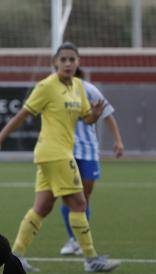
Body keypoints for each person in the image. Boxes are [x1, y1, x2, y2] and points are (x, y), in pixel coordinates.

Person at [0, 41, 120, 273]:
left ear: (78, 63)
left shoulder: (78, 86)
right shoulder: (46, 86)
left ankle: (16, 257)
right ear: (55, 63)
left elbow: (85, 118)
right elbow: (22, 115)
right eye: (63, 59)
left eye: (72, 59)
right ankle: (92, 260)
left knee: (43, 206)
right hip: (54, 153)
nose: (68, 63)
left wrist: (94, 115)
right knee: (78, 203)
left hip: (54, 154)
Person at [58, 68, 125, 256]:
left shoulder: (90, 90)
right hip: (65, 151)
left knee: (85, 196)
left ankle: (81, 239)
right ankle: (74, 240)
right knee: (69, 196)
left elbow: (108, 115)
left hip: (88, 151)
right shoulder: (55, 91)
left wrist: (118, 141)